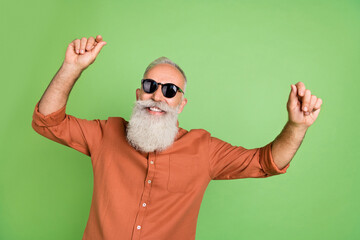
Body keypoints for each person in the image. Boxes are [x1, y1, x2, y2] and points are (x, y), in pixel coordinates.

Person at [31, 35, 323, 240]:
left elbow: (266, 162)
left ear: (181, 104)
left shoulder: (203, 150)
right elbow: (47, 122)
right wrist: (72, 67)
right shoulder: (106, 134)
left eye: (170, 91)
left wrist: (296, 126)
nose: (157, 96)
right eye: (150, 86)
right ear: (139, 94)